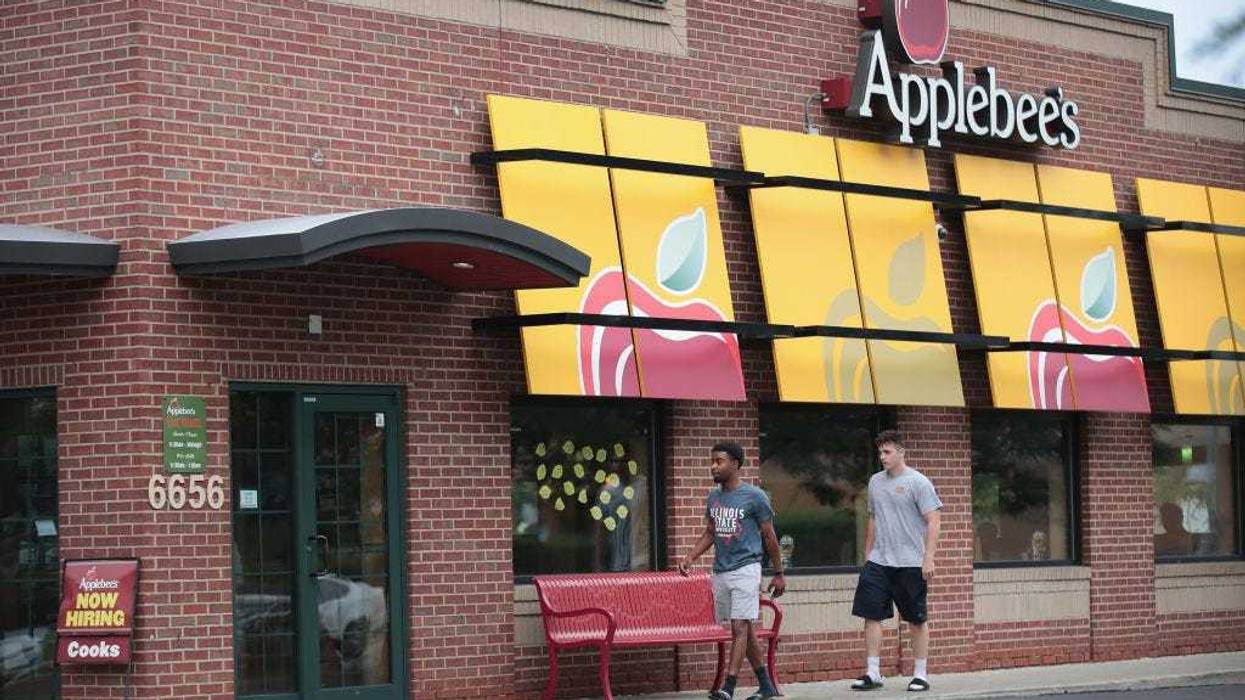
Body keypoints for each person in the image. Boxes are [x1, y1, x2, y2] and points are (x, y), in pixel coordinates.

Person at [679, 441, 785, 700]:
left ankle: (728, 687)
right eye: (712, 461)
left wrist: (779, 573)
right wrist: (691, 556)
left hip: (747, 568)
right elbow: (711, 533)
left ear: (736, 464)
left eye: (720, 461)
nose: (714, 466)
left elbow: (769, 536)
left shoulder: (755, 497)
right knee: (744, 628)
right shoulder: (714, 497)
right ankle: (767, 686)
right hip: (721, 571)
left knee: (739, 626)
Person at [850, 430, 942, 693]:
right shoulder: (875, 482)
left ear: (901, 452)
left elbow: (934, 520)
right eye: (880, 452)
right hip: (879, 562)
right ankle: (873, 672)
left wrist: (929, 558)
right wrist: (868, 556)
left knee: (915, 619)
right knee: (871, 615)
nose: (882, 457)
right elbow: (874, 518)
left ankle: (921, 674)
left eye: (887, 452)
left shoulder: (918, 482)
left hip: (911, 562)